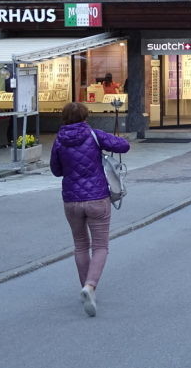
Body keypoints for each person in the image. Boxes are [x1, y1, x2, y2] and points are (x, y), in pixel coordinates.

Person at [49, 102, 130, 317]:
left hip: (71, 200)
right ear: (85, 116)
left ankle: (86, 287)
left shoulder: (59, 141)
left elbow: (56, 171)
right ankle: (90, 286)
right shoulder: (94, 135)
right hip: (97, 198)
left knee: (80, 245)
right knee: (101, 246)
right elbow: (123, 146)